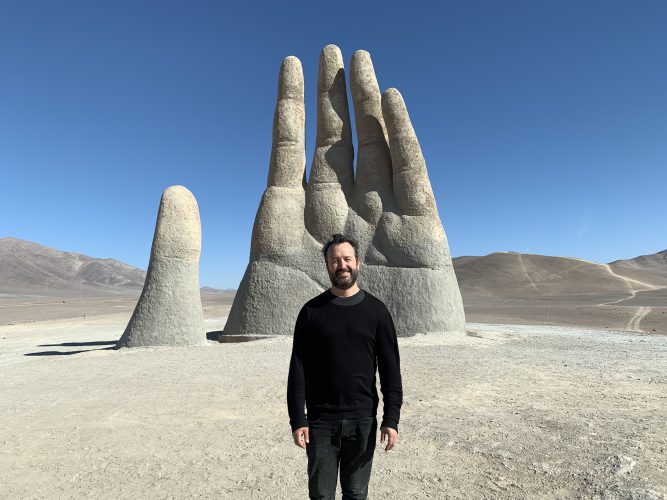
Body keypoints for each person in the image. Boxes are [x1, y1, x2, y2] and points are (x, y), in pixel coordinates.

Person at [287, 233, 403, 500]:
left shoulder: (377, 312)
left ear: (358, 263)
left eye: (347, 259)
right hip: (320, 423)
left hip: (363, 421)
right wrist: (298, 419)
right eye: (335, 260)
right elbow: (298, 369)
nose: (342, 265)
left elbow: (390, 371)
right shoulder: (311, 312)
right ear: (328, 266)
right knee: (321, 495)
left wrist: (391, 419)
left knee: (356, 494)